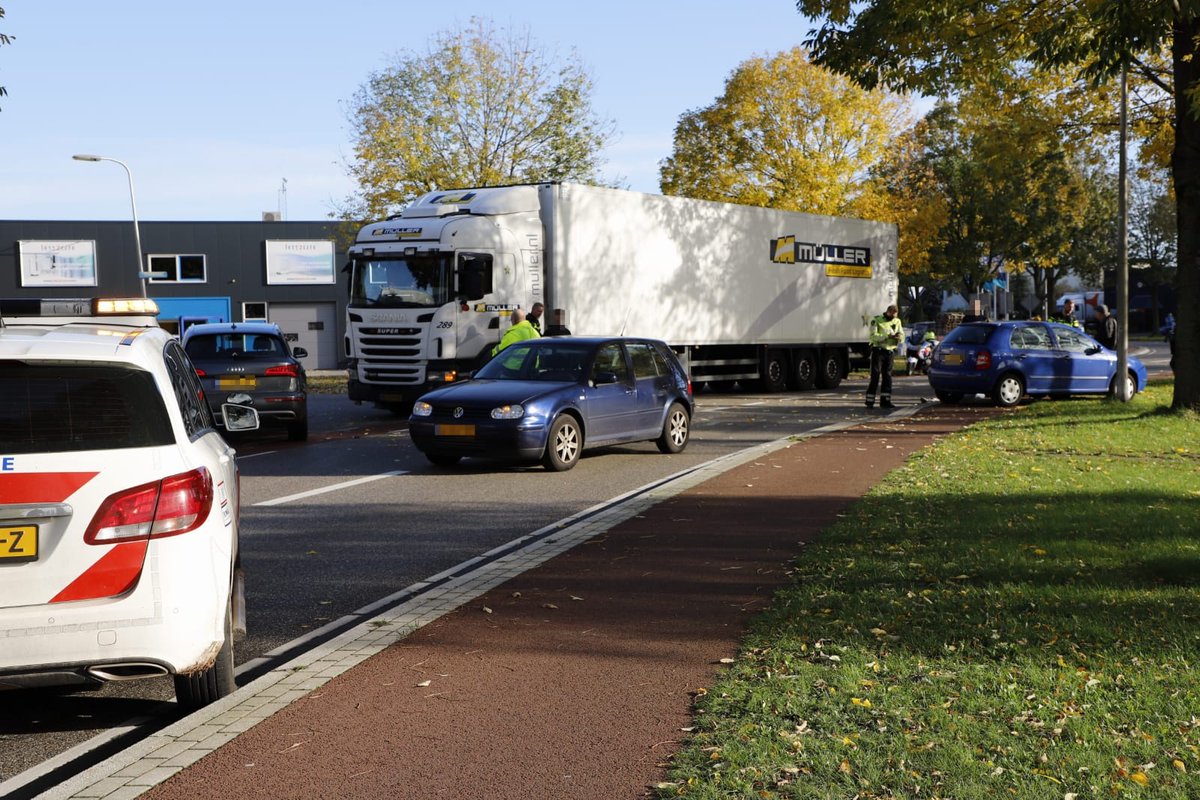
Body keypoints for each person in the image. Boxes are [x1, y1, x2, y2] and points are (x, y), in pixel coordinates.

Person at [866, 304, 903, 409]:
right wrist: (887, 336)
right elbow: (873, 336)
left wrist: (899, 337)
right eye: (892, 315)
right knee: (875, 375)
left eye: (895, 316)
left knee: (887, 376)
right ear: (888, 312)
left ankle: (886, 401)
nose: (893, 318)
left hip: (890, 351)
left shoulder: (897, 321)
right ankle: (870, 401)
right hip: (878, 351)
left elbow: (902, 334)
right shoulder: (876, 320)